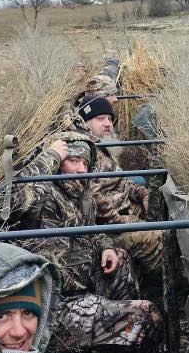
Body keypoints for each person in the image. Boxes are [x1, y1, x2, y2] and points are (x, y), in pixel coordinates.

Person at [9, 132, 163, 353]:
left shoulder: (81, 194)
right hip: (55, 307)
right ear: (56, 165)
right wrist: (50, 155)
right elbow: (18, 199)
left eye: (85, 163)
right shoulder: (43, 197)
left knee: (121, 259)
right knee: (147, 314)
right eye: (73, 161)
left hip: (83, 285)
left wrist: (106, 247)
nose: (82, 169)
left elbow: (92, 229)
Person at [68, 98, 162, 279]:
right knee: (161, 239)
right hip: (108, 229)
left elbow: (123, 181)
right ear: (85, 123)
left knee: (162, 212)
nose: (107, 124)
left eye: (110, 119)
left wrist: (143, 194)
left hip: (124, 211)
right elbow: (93, 199)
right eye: (100, 119)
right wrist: (125, 221)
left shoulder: (103, 147)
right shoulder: (84, 152)